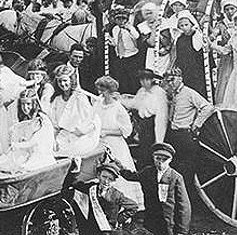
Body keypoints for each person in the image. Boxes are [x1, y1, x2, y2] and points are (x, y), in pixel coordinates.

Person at [93, 76, 143, 208]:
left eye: (102, 90)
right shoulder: (98, 103)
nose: (100, 93)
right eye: (99, 90)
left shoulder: (118, 108)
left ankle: (122, 205)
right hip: (99, 143)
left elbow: (127, 131)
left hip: (115, 144)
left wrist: (107, 132)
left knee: (117, 171)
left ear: (110, 91)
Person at [121, 143, 191, 235]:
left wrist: (182, 230)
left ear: (170, 160)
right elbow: (131, 176)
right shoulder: (147, 172)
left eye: (164, 160)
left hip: (168, 223)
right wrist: (118, 166)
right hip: (151, 220)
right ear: (153, 158)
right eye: (157, 158)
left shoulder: (176, 177)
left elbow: (184, 205)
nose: (160, 162)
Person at [163, 67, 214, 184]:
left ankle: (188, 199)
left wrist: (197, 124)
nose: (170, 83)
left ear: (180, 79)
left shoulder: (189, 93)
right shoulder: (174, 94)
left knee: (186, 172)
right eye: (168, 81)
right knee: (174, 169)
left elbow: (208, 107)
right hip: (174, 136)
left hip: (185, 136)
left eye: (172, 80)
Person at [50, 65, 100, 167]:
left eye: (65, 80)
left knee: (70, 151)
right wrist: (53, 139)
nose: (63, 84)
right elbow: (54, 125)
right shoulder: (57, 100)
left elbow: (92, 120)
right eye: (60, 81)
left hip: (80, 135)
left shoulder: (79, 98)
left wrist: (82, 131)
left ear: (71, 80)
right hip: (64, 135)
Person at [71, 162, 138, 235]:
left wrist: (119, 219)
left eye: (110, 179)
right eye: (104, 177)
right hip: (91, 228)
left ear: (113, 181)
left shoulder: (116, 195)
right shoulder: (91, 188)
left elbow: (133, 206)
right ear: (98, 175)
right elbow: (74, 183)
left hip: (107, 230)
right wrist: (76, 170)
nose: (106, 181)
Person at [121, 69, 168, 169]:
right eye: (141, 80)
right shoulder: (142, 91)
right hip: (143, 126)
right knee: (143, 152)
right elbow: (134, 104)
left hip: (152, 126)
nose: (144, 82)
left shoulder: (159, 93)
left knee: (150, 153)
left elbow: (161, 117)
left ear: (152, 80)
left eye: (147, 79)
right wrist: (119, 100)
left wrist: (159, 140)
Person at [0, 88, 55, 172]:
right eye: (23, 104)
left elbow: (35, 142)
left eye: (28, 104)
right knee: (6, 163)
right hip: (28, 152)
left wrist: (18, 145)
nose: (25, 107)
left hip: (41, 155)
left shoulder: (41, 119)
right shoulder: (26, 119)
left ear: (34, 104)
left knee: (23, 168)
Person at [174, 10, 207, 97]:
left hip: (197, 68)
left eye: (186, 25)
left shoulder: (196, 35)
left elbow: (197, 47)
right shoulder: (180, 39)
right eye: (181, 26)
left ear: (191, 24)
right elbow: (179, 54)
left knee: (199, 90)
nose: (184, 27)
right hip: (186, 69)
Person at [110, 8, 141, 94]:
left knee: (132, 79)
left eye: (123, 19)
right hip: (121, 57)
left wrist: (128, 28)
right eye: (118, 19)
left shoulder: (130, 28)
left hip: (131, 56)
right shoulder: (115, 29)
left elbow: (137, 36)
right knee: (122, 78)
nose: (120, 21)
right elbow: (117, 42)